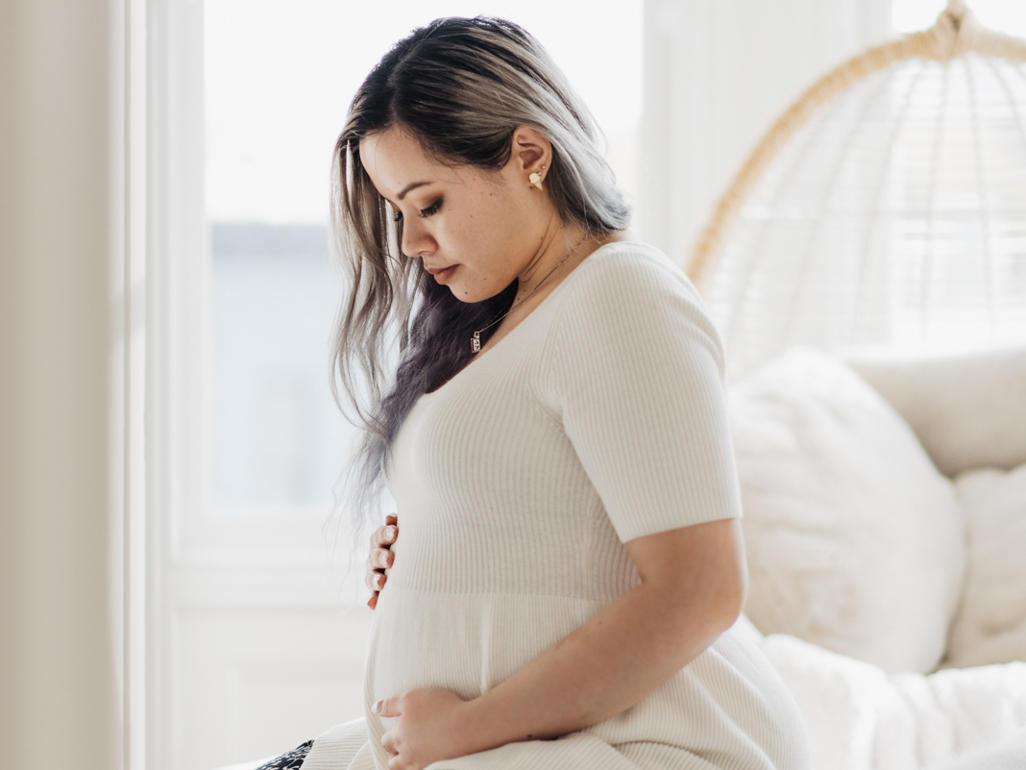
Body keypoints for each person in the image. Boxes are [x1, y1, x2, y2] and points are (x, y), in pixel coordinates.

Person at [259, 14, 811, 770]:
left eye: (430, 204)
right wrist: (441, 549)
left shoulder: (622, 297)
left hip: (645, 746)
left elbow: (701, 590)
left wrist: (465, 728)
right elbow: (569, 535)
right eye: (397, 213)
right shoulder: (512, 320)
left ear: (528, 155)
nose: (411, 244)